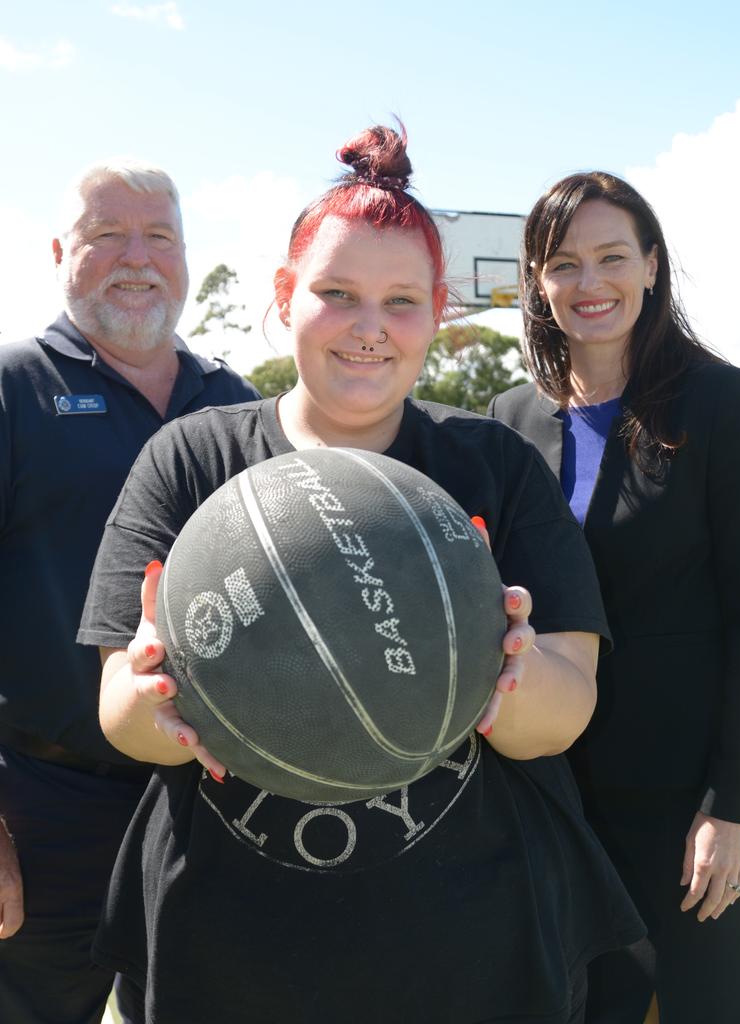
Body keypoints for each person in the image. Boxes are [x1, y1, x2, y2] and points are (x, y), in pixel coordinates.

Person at [78, 125, 644, 1024]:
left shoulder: (492, 463)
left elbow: (565, 714)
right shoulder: (191, 460)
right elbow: (119, 711)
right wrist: (157, 695)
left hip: (473, 943)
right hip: (225, 947)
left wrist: (511, 673)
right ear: (284, 295)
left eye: (401, 301)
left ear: (440, 309)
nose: (369, 329)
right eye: (337, 293)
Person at [488, 171, 740, 1023]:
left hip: (685, 810)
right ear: (538, 281)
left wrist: (737, 808)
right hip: (549, 805)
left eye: (612, 257)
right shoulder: (507, 420)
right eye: (563, 263)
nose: (590, 283)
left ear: (652, 267)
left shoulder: (722, 402)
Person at [0, 159, 260, 1024]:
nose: (136, 258)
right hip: (44, 807)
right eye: (107, 235)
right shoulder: (13, 389)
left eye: (159, 238)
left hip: (208, 803)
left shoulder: (235, 402)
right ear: (58, 251)